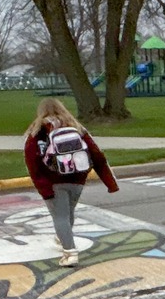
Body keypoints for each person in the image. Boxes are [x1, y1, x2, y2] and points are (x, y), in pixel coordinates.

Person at [25, 98, 119, 264]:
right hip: (77, 180)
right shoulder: (77, 128)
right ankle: (63, 237)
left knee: (60, 217)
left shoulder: (37, 132)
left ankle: (70, 253)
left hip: (53, 182)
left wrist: (44, 188)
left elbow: (32, 163)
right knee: (68, 214)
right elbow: (98, 155)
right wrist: (110, 183)